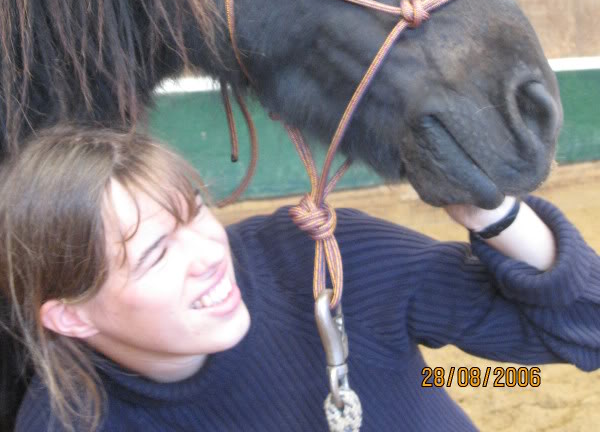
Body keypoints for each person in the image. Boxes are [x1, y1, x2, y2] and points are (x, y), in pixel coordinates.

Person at [1, 125, 599, 432]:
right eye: (155, 254)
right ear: (70, 315)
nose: (209, 254)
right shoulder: (65, 423)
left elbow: (587, 327)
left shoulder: (318, 260)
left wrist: (496, 214)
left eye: (196, 213)